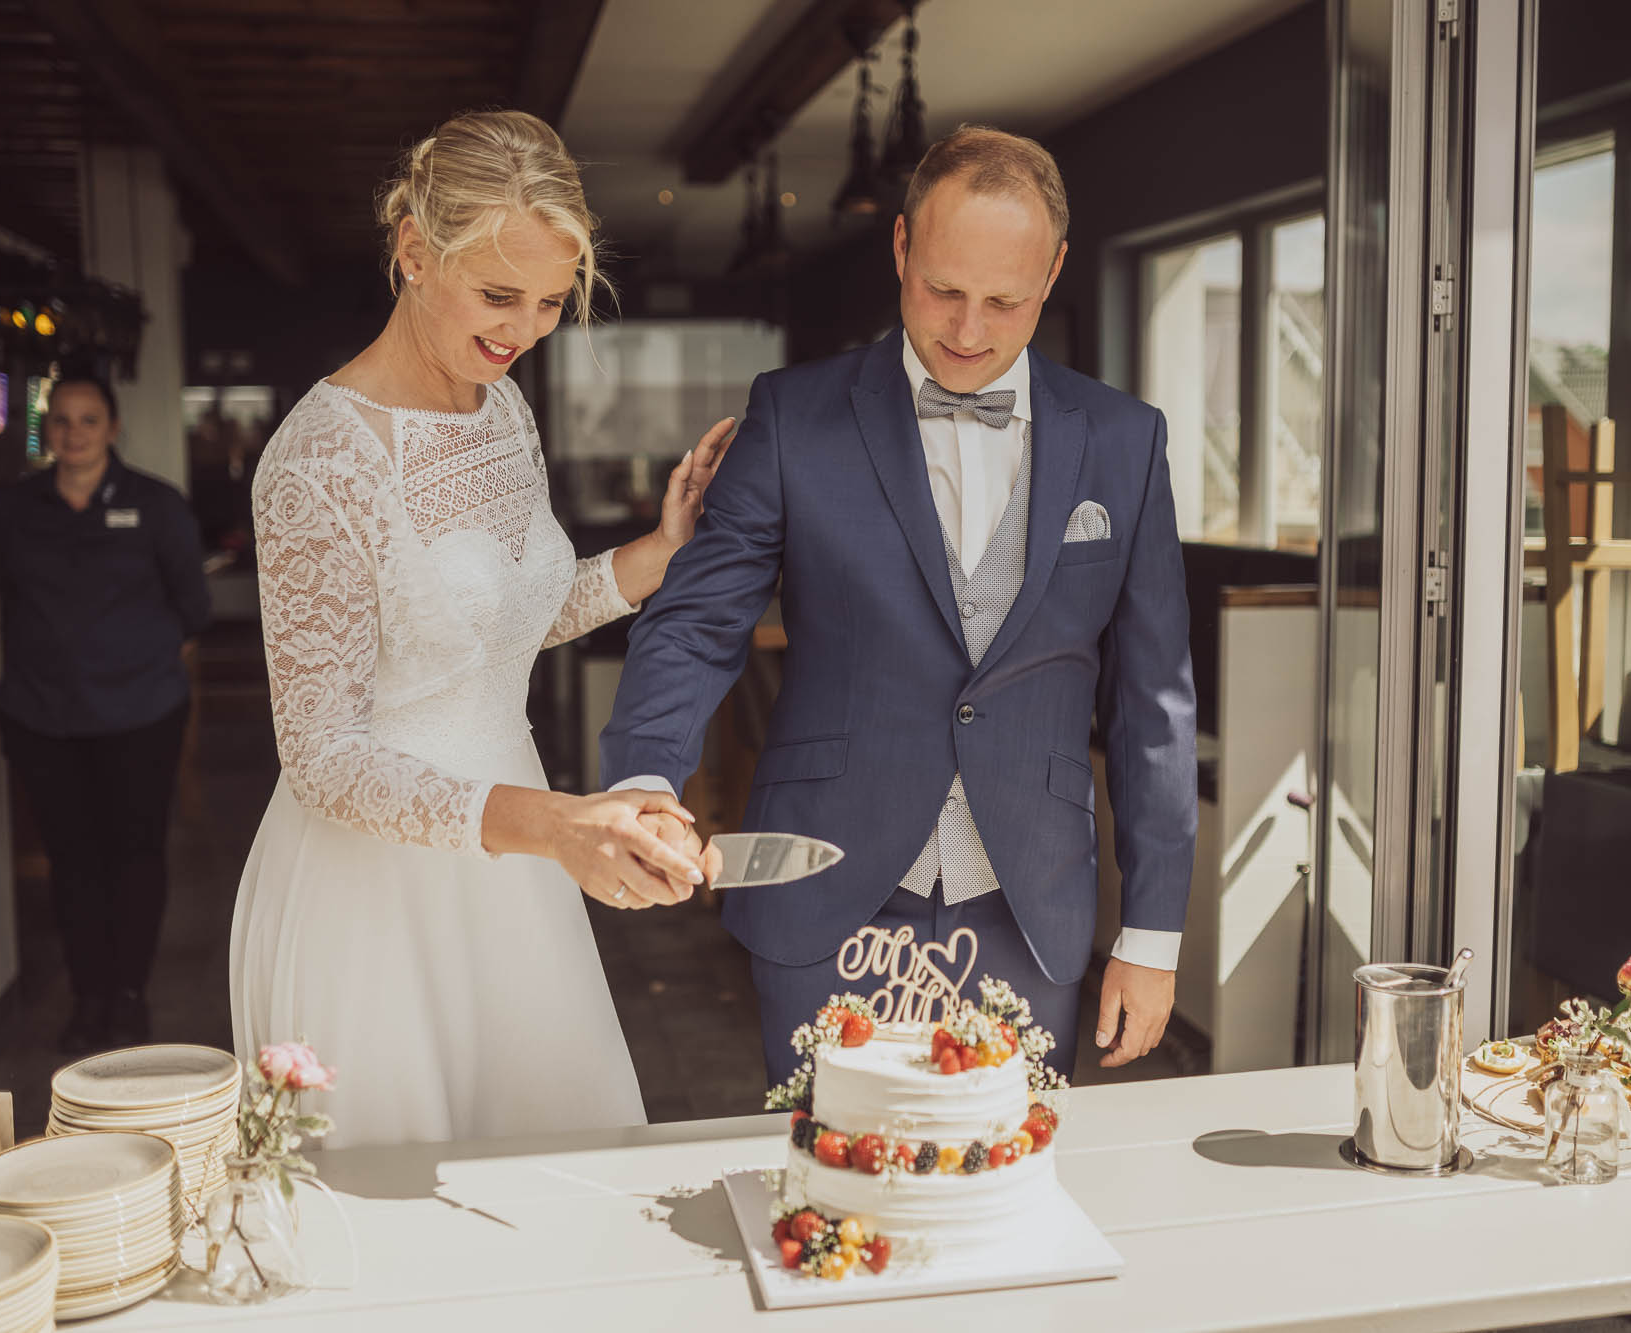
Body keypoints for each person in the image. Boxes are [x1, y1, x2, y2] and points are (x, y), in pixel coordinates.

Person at [604, 126, 1198, 1085]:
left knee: (1002, 1191)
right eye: (942, 290)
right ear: (900, 250)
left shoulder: (1127, 443)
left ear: (1053, 273)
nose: (967, 329)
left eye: (1004, 300)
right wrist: (642, 784)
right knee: (822, 1187)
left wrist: (1154, 929)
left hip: (1027, 904)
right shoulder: (793, 415)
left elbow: (1154, 703)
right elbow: (699, 619)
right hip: (820, 888)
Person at [229, 110, 733, 1149]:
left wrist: (659, 554)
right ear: (413, 251)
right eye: (498, 294)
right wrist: (551, 827)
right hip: (372, 893)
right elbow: (321, 757)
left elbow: (503, 625)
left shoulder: (500, 410)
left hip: (513, 870)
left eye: (550, 301)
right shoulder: (317, 462)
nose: (523, 328)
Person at [0, 366, 212, 1053]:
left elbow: (192, 606)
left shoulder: (156, 505)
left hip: (140, 714)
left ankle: (129, 995)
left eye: (88, 420)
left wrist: (132, 657)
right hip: (43, 717)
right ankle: (87, 998)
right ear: (46, 429)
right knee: (72, 860)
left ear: (113, 428)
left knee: (136, 856)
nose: (73, 432)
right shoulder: (18, 510)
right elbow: (6, 587)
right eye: (60, 420)